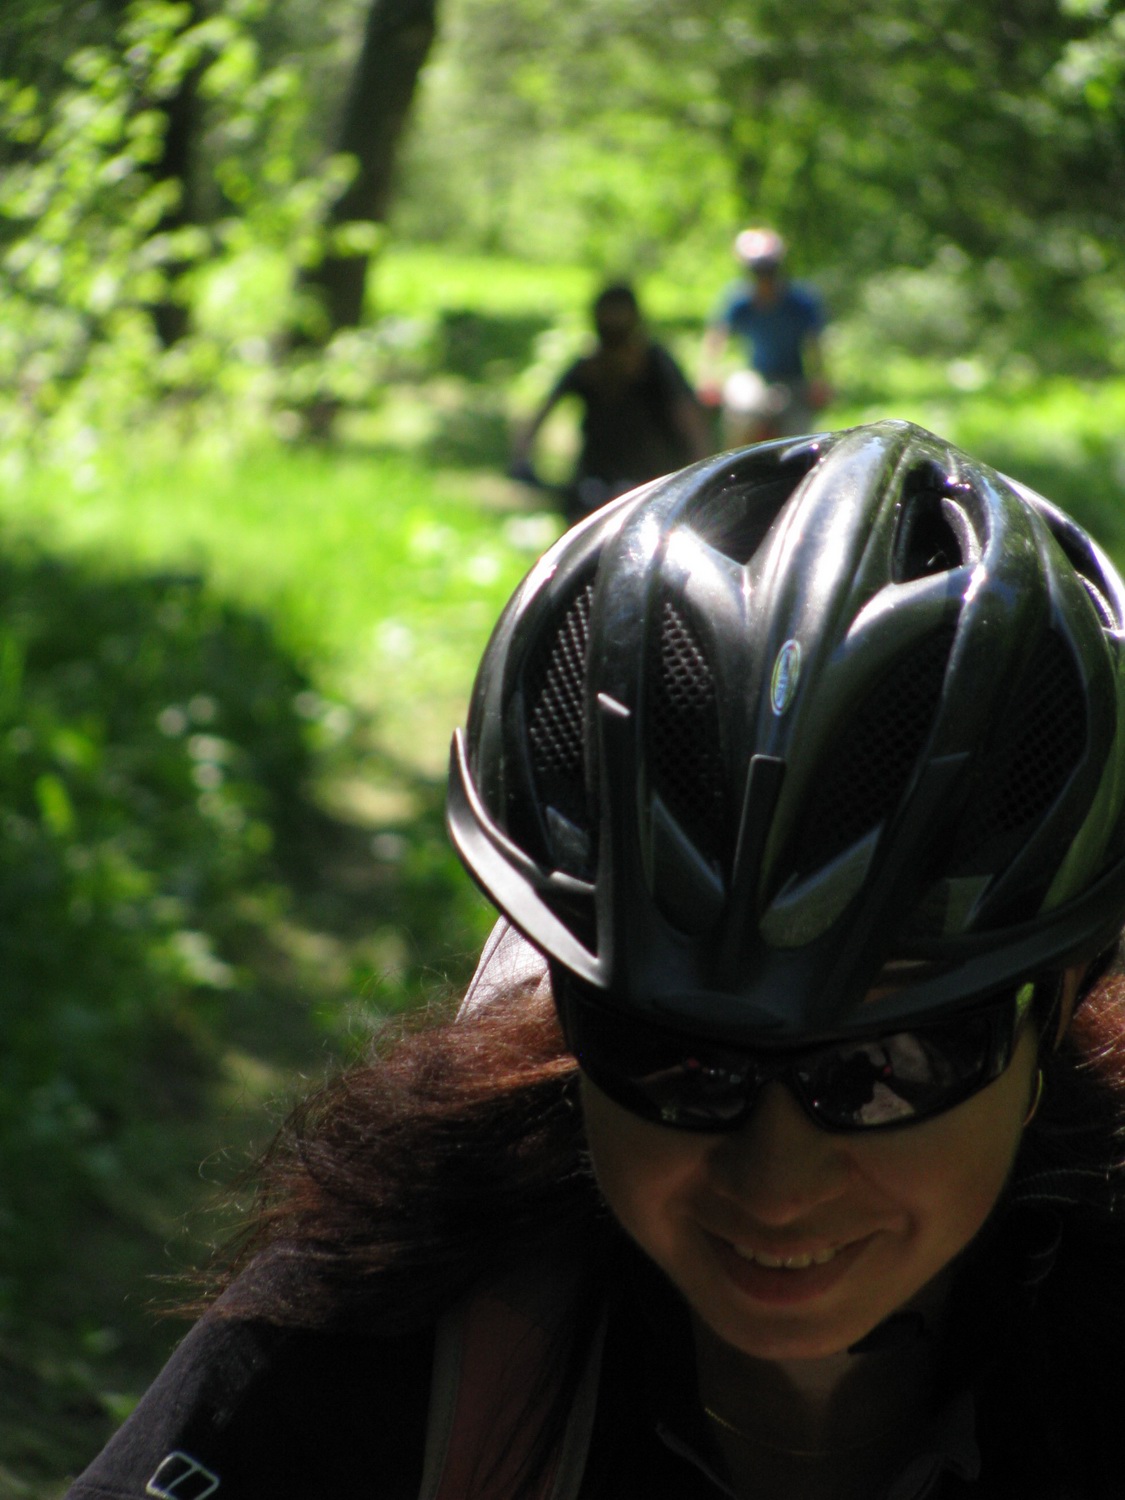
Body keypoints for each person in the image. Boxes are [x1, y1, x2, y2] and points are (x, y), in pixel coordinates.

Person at [68, 419, 1125, 1500]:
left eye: (884, 1069)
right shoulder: (412, 1319)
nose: (776, 1184)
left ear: (1053, 1013)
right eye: (673, 1059)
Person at [510, 282, 710, 526]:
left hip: (649, 484)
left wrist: (699, 470)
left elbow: (688, 417)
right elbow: (542, 413)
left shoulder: (657, 365)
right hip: (593, 482)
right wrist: (521, 456)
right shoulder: (588, 368)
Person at [699, 227, 831, 445]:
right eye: (757, 272)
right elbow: (717, 337)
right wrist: (708, 377)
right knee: (742, 412)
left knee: (802, 441)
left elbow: (814, 344)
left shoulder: (800, 302)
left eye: (769, 270)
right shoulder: (740, 300)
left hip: (794, 381)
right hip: (756, 376)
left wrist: (820, 380)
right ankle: (737, 462)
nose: (764, 278)